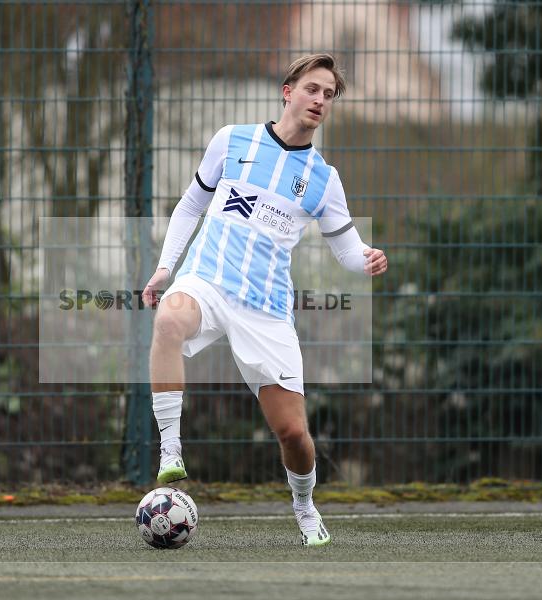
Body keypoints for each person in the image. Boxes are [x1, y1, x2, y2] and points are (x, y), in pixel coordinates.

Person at [142, 53, 388, 547]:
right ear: (288, 90)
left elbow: (346, 250)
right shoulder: (232, 140)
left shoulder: (323, 178)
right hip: (207, 281)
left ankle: (304, 506)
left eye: (329, 94)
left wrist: (368, 259)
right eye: (313, 89)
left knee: (294, 435)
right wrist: (168, 267)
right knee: (169, 319)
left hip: (266, 310)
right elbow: (193, 203)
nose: (321, 100)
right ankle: (171, 450)